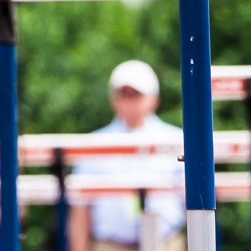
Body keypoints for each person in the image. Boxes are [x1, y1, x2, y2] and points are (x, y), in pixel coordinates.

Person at [67, 61, 182, 251]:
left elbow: (193, 201)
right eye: (123, 94)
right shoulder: (93, 145)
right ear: (113, 99)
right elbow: (80, 212)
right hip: (110, 245)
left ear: (154, 99)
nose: (129, 101)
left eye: (136, 94)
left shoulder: (177, 140)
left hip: (166, 243)